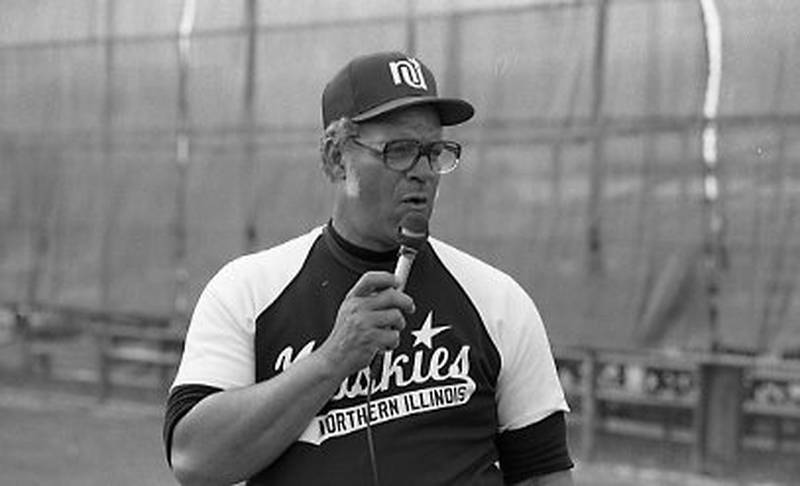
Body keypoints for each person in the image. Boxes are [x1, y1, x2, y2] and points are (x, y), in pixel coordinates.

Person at [163, 51, 574, 486]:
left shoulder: (497, 300)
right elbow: (195, 461)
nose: (423, 172)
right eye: (399, 151)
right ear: (337, 157)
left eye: (434, 152)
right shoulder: (248, 290)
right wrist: (334, 358)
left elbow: (543, 473)